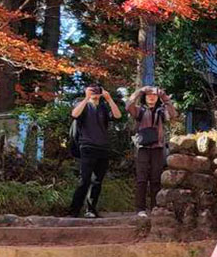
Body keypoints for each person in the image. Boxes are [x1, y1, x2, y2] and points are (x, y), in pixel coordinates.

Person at [68, 84, 122, 218]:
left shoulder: (103, 107)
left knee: (97, 181)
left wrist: (109, 99)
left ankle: (91, 209)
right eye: (92, 91)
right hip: (87, 146)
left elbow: (117, 116)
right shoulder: (83, 105)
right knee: (84, 180)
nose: (95, 93)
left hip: (103, 147)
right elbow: (74, 114)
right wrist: (86, 98)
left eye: (97, 91)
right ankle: (74, 210)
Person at [126, 85, 178, 217]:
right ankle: (140, 209)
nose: (151, 97)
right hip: (143, 147)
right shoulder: (140, 111)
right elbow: (128, 106)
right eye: (148, 95)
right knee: (141, 179)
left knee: (156, 178)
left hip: (158, 147)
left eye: (154, 95)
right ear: (144, 97)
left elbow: (173, 115)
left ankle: (155, 207)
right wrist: (140, 91)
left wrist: (165, 97)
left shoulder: (161, 111)